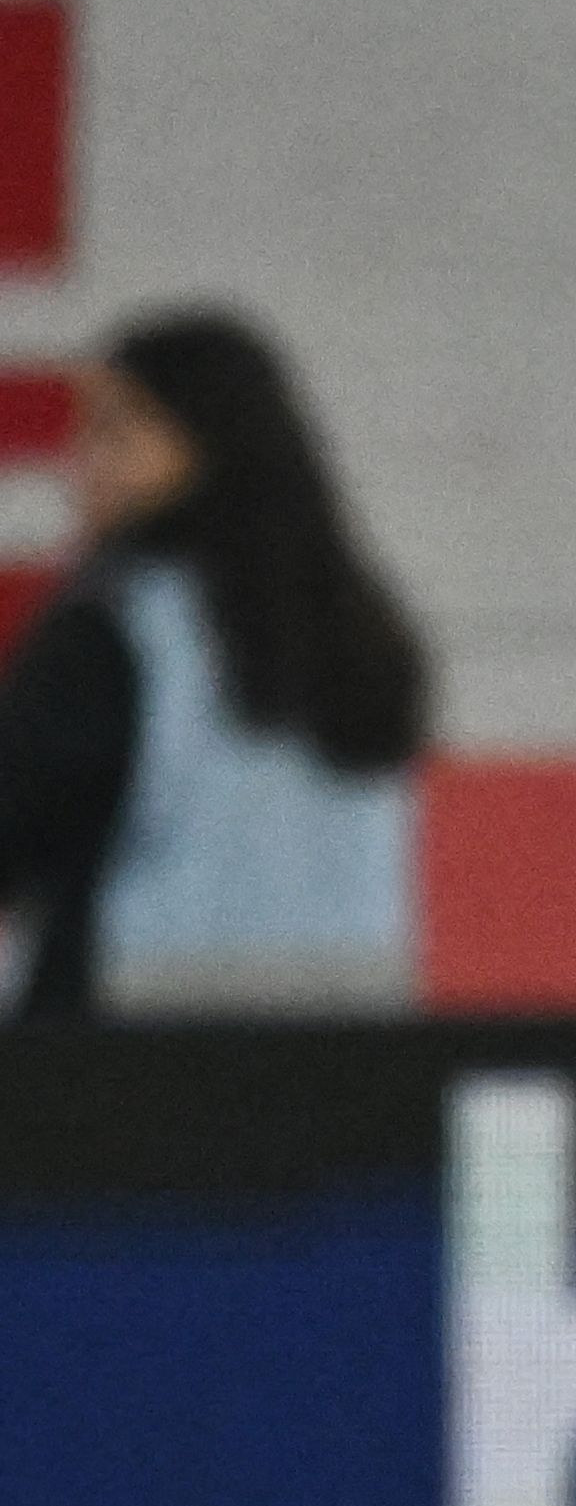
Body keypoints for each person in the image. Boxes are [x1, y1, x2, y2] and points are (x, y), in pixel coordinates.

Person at [0, 310, 428, 1023]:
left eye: (115, 430)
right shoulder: (363, 632)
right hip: (351, 1059)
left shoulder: (119, 627)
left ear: (204, 441)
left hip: (130, 1058)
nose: (83, 462)